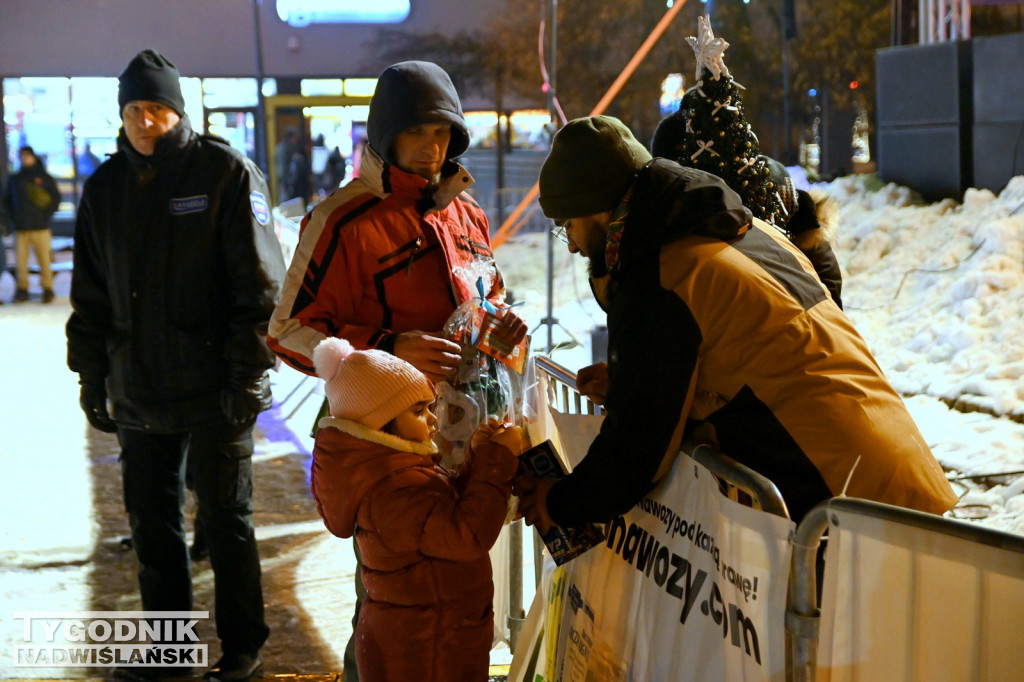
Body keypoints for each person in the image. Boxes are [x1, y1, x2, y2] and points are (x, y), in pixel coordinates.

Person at [514, 115, 958, 535]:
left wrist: (562, 502)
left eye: (566, 225)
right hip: (887, 478)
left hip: (841, 499)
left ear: (596, 209)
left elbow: (639, 446)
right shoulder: (733, 232)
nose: (570, 245)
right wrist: (634, 382)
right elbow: (753, 364)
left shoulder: (663, 271)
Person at [267, 59, 526, 681]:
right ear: (385, 135)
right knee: (394, 599)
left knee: (461, 586)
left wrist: (502, 324)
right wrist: (388, 348)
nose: (432, 148)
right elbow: (287, 331)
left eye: (444, 134)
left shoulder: (466, 213)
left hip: (465, 431)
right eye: (418, 133)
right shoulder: (341, 220)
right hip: (389, 443)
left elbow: (488, 296)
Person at [65, 49, 286, 682]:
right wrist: (90, 375)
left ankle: (243, 646)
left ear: (177, 111)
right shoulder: (104, 190)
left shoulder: (224, 172)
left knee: (226, 518)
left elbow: (259, 288)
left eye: (156, 108)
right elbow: (91, 295)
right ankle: (167, 656)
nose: (144, 121)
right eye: (134, 109)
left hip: (217, 383)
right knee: (153, 525)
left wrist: (247, 374)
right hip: (138, 384)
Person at [308, 337, 520, 682]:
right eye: (419, 411)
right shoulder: (394, 488)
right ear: (377, 423)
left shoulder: (398, 470)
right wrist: (499, 461)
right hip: (428, 647)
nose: (434, 420)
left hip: (433, 632)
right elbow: (465, 534)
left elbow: (442, 515)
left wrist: (477, 462)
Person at [1, 146, 60, 303]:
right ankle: (22, 289)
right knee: (21, 262)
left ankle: (47, 288)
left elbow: (55, 199)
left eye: (27, 156)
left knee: (44, 260)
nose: (25, 159)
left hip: (41, 226)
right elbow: (6, 202)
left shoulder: (44, 177)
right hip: (21, 227)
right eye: (22, 156)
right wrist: (12, 220)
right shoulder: (15, 179)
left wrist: (45, 216)